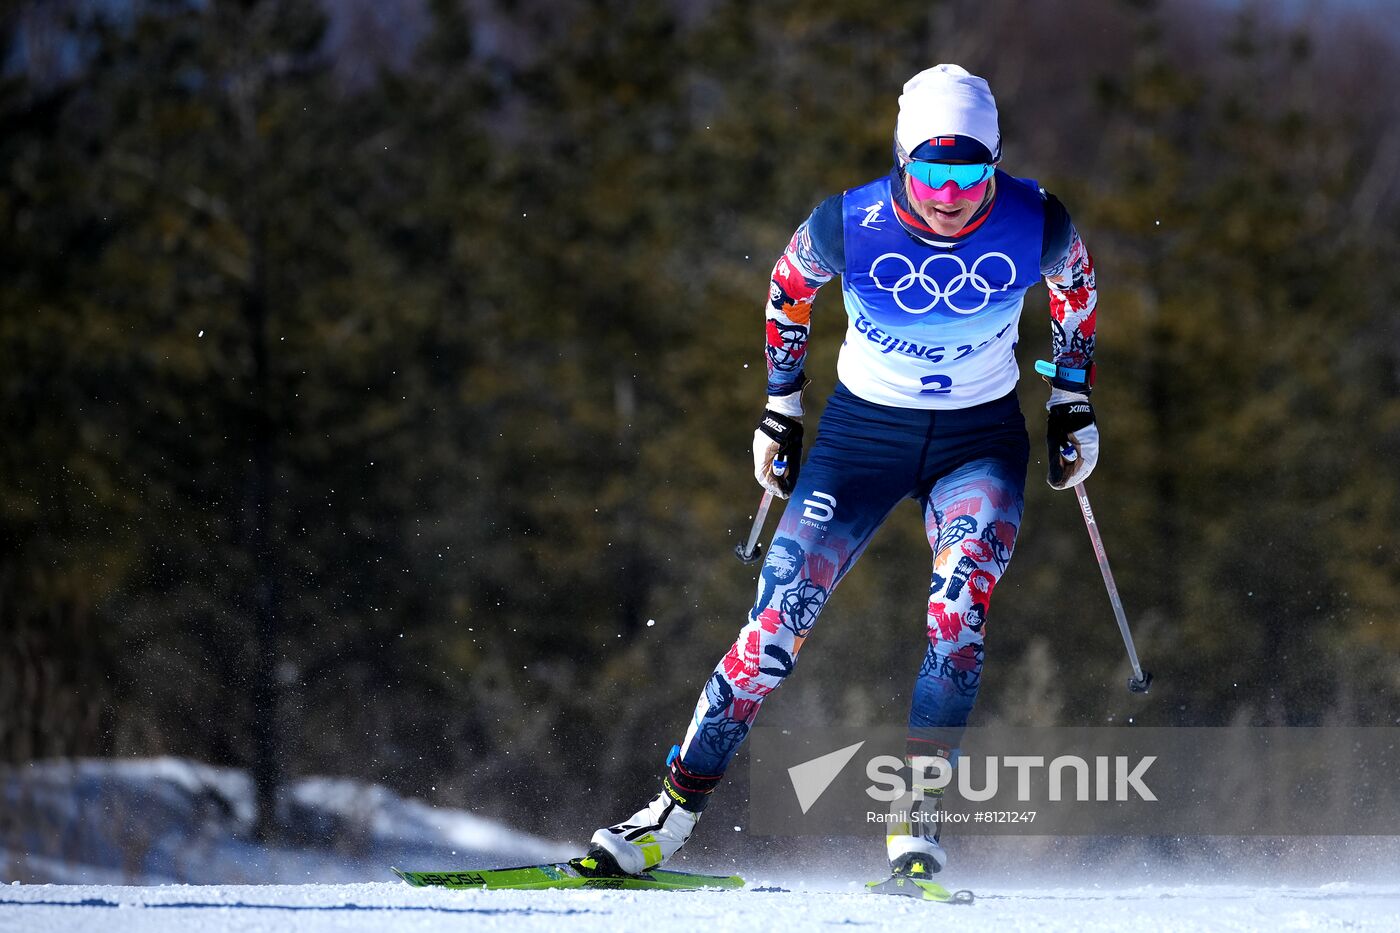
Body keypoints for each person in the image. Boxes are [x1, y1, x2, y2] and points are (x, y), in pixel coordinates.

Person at [589, 64, 1099, 881]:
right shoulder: (848, 222)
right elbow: (789, 289)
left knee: (958, 610)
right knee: (776, 622)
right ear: (902, 160)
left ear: (994, 165)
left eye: (969, 171)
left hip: (981, 438)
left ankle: (916, 814)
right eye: (929, 170)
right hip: (864, 437)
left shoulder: (1035, 220)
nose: (947, 193)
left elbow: (1076, 285)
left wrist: (1072, 398)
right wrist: (781, 407)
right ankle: (668, 817)